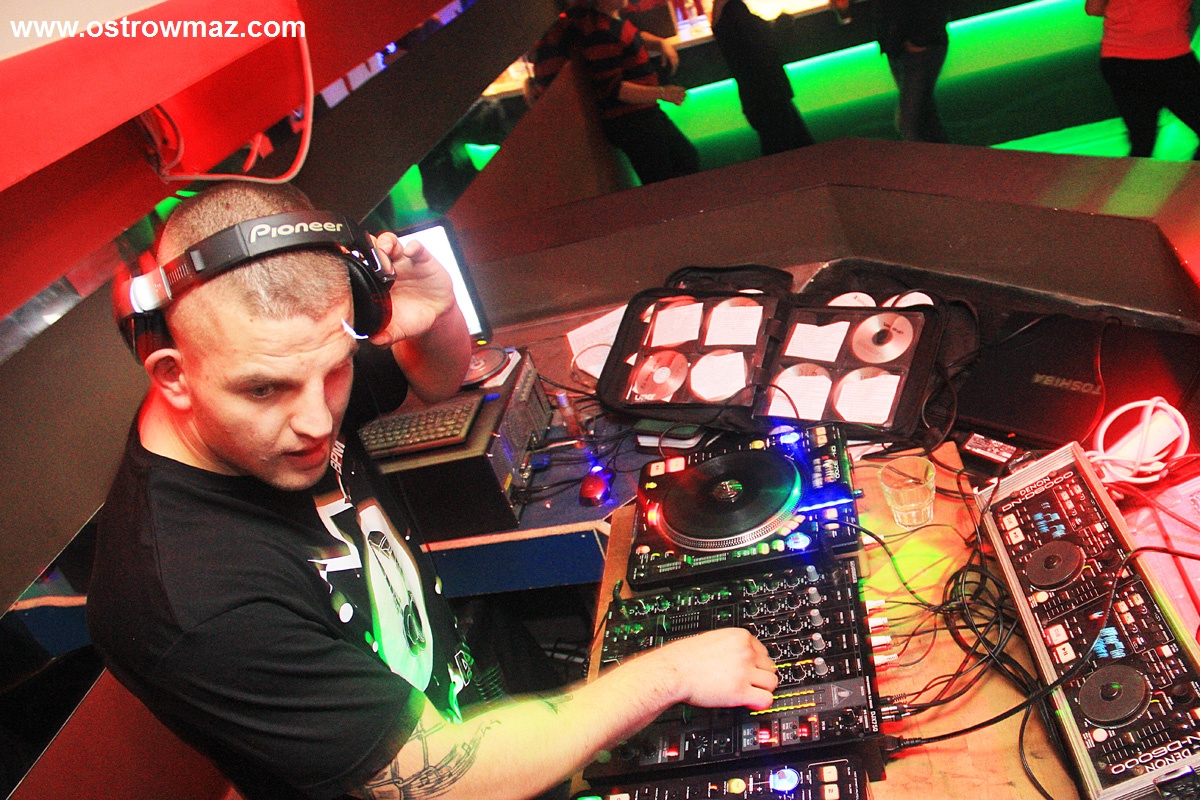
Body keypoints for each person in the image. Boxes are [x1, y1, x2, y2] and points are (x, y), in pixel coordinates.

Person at [87, 181, 778, 800]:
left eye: (335, 370)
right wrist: (669, 673)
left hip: (498, 711)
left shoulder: (286, 364)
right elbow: (447, 779)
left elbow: (436, 375)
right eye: (266, 390)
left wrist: (437, 308)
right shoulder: (191, 600)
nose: (317, 421)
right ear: (173, 374)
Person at [529, 0, 701, 185]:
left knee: (684, 161)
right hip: (632, 120)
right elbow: (614, 88)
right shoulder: (600, 32)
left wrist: (660, 43)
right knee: (666, 176)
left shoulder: (609, 21)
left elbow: (631, 38)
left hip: (641, 114)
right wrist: (663, 93)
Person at [1086, 0, 1200, 159]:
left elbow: (1093, 8)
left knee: (1142, 142)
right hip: (1172, 57)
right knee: (1143, 142)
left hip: (1122, 60)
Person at [707, 0, 816, 156]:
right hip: (770, 94)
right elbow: (766, 50)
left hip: (758, 98)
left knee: (785, 151)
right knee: (795, 151)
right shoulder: (735, 13)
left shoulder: (724, 15)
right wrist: (783, 22)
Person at [875, 0, 951, 143]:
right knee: (923, 117)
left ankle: (936, 156)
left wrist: (920, 40)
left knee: (910, 123)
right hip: (904, 44)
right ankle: (945, 155)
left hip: (914, 45)